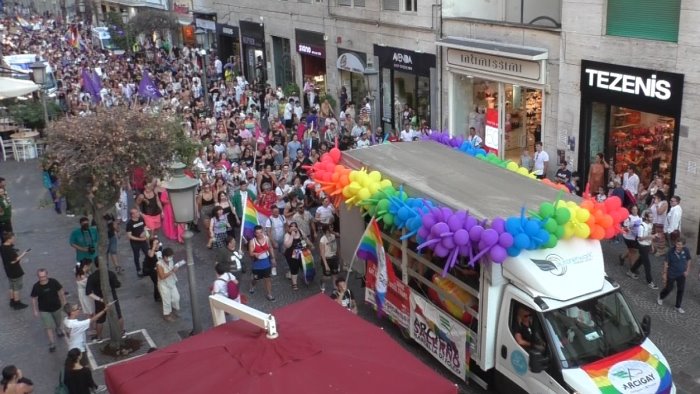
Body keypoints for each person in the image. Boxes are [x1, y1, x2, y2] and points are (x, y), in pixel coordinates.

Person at [85, 259, 123, 340]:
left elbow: (88, 292)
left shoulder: (92, 277)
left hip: (99, 301)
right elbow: (117, 285)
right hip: (112, 298)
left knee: (100, 320)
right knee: (119, 316)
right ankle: (122, 332)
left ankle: (99, 337)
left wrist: (100, 299)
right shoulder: (111, 274)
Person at [30, 269, 66, 353]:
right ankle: (52, 343)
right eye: (40, 277)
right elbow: (33, 298)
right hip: (44, 310)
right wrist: (35, 310)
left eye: (44, 276)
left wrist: (64, 301)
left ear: (47, 275)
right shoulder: (36, 286)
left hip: (56, 307)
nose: (42, 278)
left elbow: (60, 290)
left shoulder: (53, 282)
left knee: (58, 321)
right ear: (38, 277)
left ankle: (58, 329)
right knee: (48, 327)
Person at [657, 239, 692, 314]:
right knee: (669, 288)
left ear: (683, 245)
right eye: (676, 244)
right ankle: (661, 296)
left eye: (679, 245)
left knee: (681, 290)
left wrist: (687, 270)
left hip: (681, 274)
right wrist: (664, 273)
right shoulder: (670, 251)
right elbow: (666, 262)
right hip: (671, 273)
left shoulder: (686, 250)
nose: (677, 246)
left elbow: (689, 259)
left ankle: (677, 306)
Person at [627, 211, 658, 289]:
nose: (652, 218)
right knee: (647, 265)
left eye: (652, 217)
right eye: (650, 217)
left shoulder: (651, 224)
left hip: (647, 246)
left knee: (640, 260)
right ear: (646, 218)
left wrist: (652, 245)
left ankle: (630, 271)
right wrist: (650, 236)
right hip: (642, 246)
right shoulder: (642, 226)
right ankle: (650, 282)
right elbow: (640, 238)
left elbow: (650, 236)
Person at [1, 232, 29, 310]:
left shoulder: (2, 247)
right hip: (15, 271)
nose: (14, 239)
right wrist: (24, 254)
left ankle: (12, 301)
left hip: (8, 270)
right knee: (16, 287)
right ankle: (17, 303)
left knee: (11, 285)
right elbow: (13, 261)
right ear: (9, 239)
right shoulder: (9, 250)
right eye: (13, 238)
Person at [248, 225, 276, 301]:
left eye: (261, 232)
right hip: (257, 265)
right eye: (257, 233)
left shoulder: (266, 238)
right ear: (255, 233)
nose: (259, 234)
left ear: (263, 231)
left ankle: (269, 294)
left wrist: (273, 257)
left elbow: (270, 247)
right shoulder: (252, 241)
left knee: (268, 279)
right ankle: (252, 286)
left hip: (266, 263)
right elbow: (250, 253)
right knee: (255, 279)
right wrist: (255, 254)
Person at [283, 221, 312, 290]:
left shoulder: (300, 231)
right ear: (289, 228)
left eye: (295, 226)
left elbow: (305, 239)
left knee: (304, 266)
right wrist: (292, 236)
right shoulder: (287, 235)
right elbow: (287, 245)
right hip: (292, 254)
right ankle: (294, 284)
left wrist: (311, 245)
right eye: (291, 226)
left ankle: (306, 278)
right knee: (294, 268)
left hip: (302, 253)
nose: (293, 228)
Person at [156, 248, 181, 322]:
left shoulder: (171, 261)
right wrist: (172, 271)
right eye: (169, 257)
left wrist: (175, 269)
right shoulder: (159, 264)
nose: (171, 258)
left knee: (176, 297)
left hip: (171, 282)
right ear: (164, 257)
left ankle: (175, 308)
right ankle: (167, 315)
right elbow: (162, 276)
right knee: (166, 300)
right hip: (163, 285)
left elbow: (172, 269)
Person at [125, 208, 149, 277]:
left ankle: (147, 266)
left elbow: (145, 227)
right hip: (135, 243)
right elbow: (129, 236)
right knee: (136, 256)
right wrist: (139, 239)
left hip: (143, 240)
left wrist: (145, 234)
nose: (138, 213)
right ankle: (138, 270)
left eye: (138, 212)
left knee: (147, 253)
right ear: (132, 215)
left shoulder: (141, 219)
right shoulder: (129, 224)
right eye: (136, 212)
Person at [264, 206, 286, 276]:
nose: (277, 213)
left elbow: (285, 226)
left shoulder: (282, 217)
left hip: (282, 239)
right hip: (274, 240)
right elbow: (268, 233)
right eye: (275, 212)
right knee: (274, 256)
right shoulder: (269, 220)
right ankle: (273, 268)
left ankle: (287, 267)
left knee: (285, 253)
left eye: (278, 211)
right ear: (272, 212)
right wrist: (273, 242)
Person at [319, 224, 339, 293]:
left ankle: (335, 288)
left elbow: (338, 237)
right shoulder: (322, 240)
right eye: (331, 227)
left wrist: (337, 256)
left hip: (334, 258)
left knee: (334, 274)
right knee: (327, 276)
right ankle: (322, 282)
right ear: (327, 230)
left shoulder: (333, 236)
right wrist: (326, 265)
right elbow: (322, 253)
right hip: (327, 259)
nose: (332, 228)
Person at [143, 238, 162, 302]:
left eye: (158, 243)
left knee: (157, 282)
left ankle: (157, 296)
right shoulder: (149, 250)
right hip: (151, 270)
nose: (157, 245)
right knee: (157, 282)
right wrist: (153, 247)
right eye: (155, 244)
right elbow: (151, 255)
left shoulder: (159, 249)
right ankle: (159, 296)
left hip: (157, 268)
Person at [650, 191, 668, 256]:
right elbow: (650, 209)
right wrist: (652, 202)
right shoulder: (654, 202)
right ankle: (653, 248)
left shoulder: (664, 203)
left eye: (655, 197)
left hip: (660, 222)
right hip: (653, 221)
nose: (654, 198)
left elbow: (659, 212)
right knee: (653, 235)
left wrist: (657, 205)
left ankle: (661, 250)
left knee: (660, 236)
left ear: (659, 197)